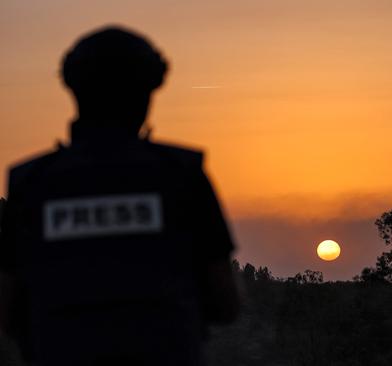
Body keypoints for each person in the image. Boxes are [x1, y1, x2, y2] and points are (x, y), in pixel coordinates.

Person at [0, 26, 239, 366]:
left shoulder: (30, 184)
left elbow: (8, 314)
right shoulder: (182, 175)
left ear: (74, 90)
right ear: (148, 93)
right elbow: (225, 304)